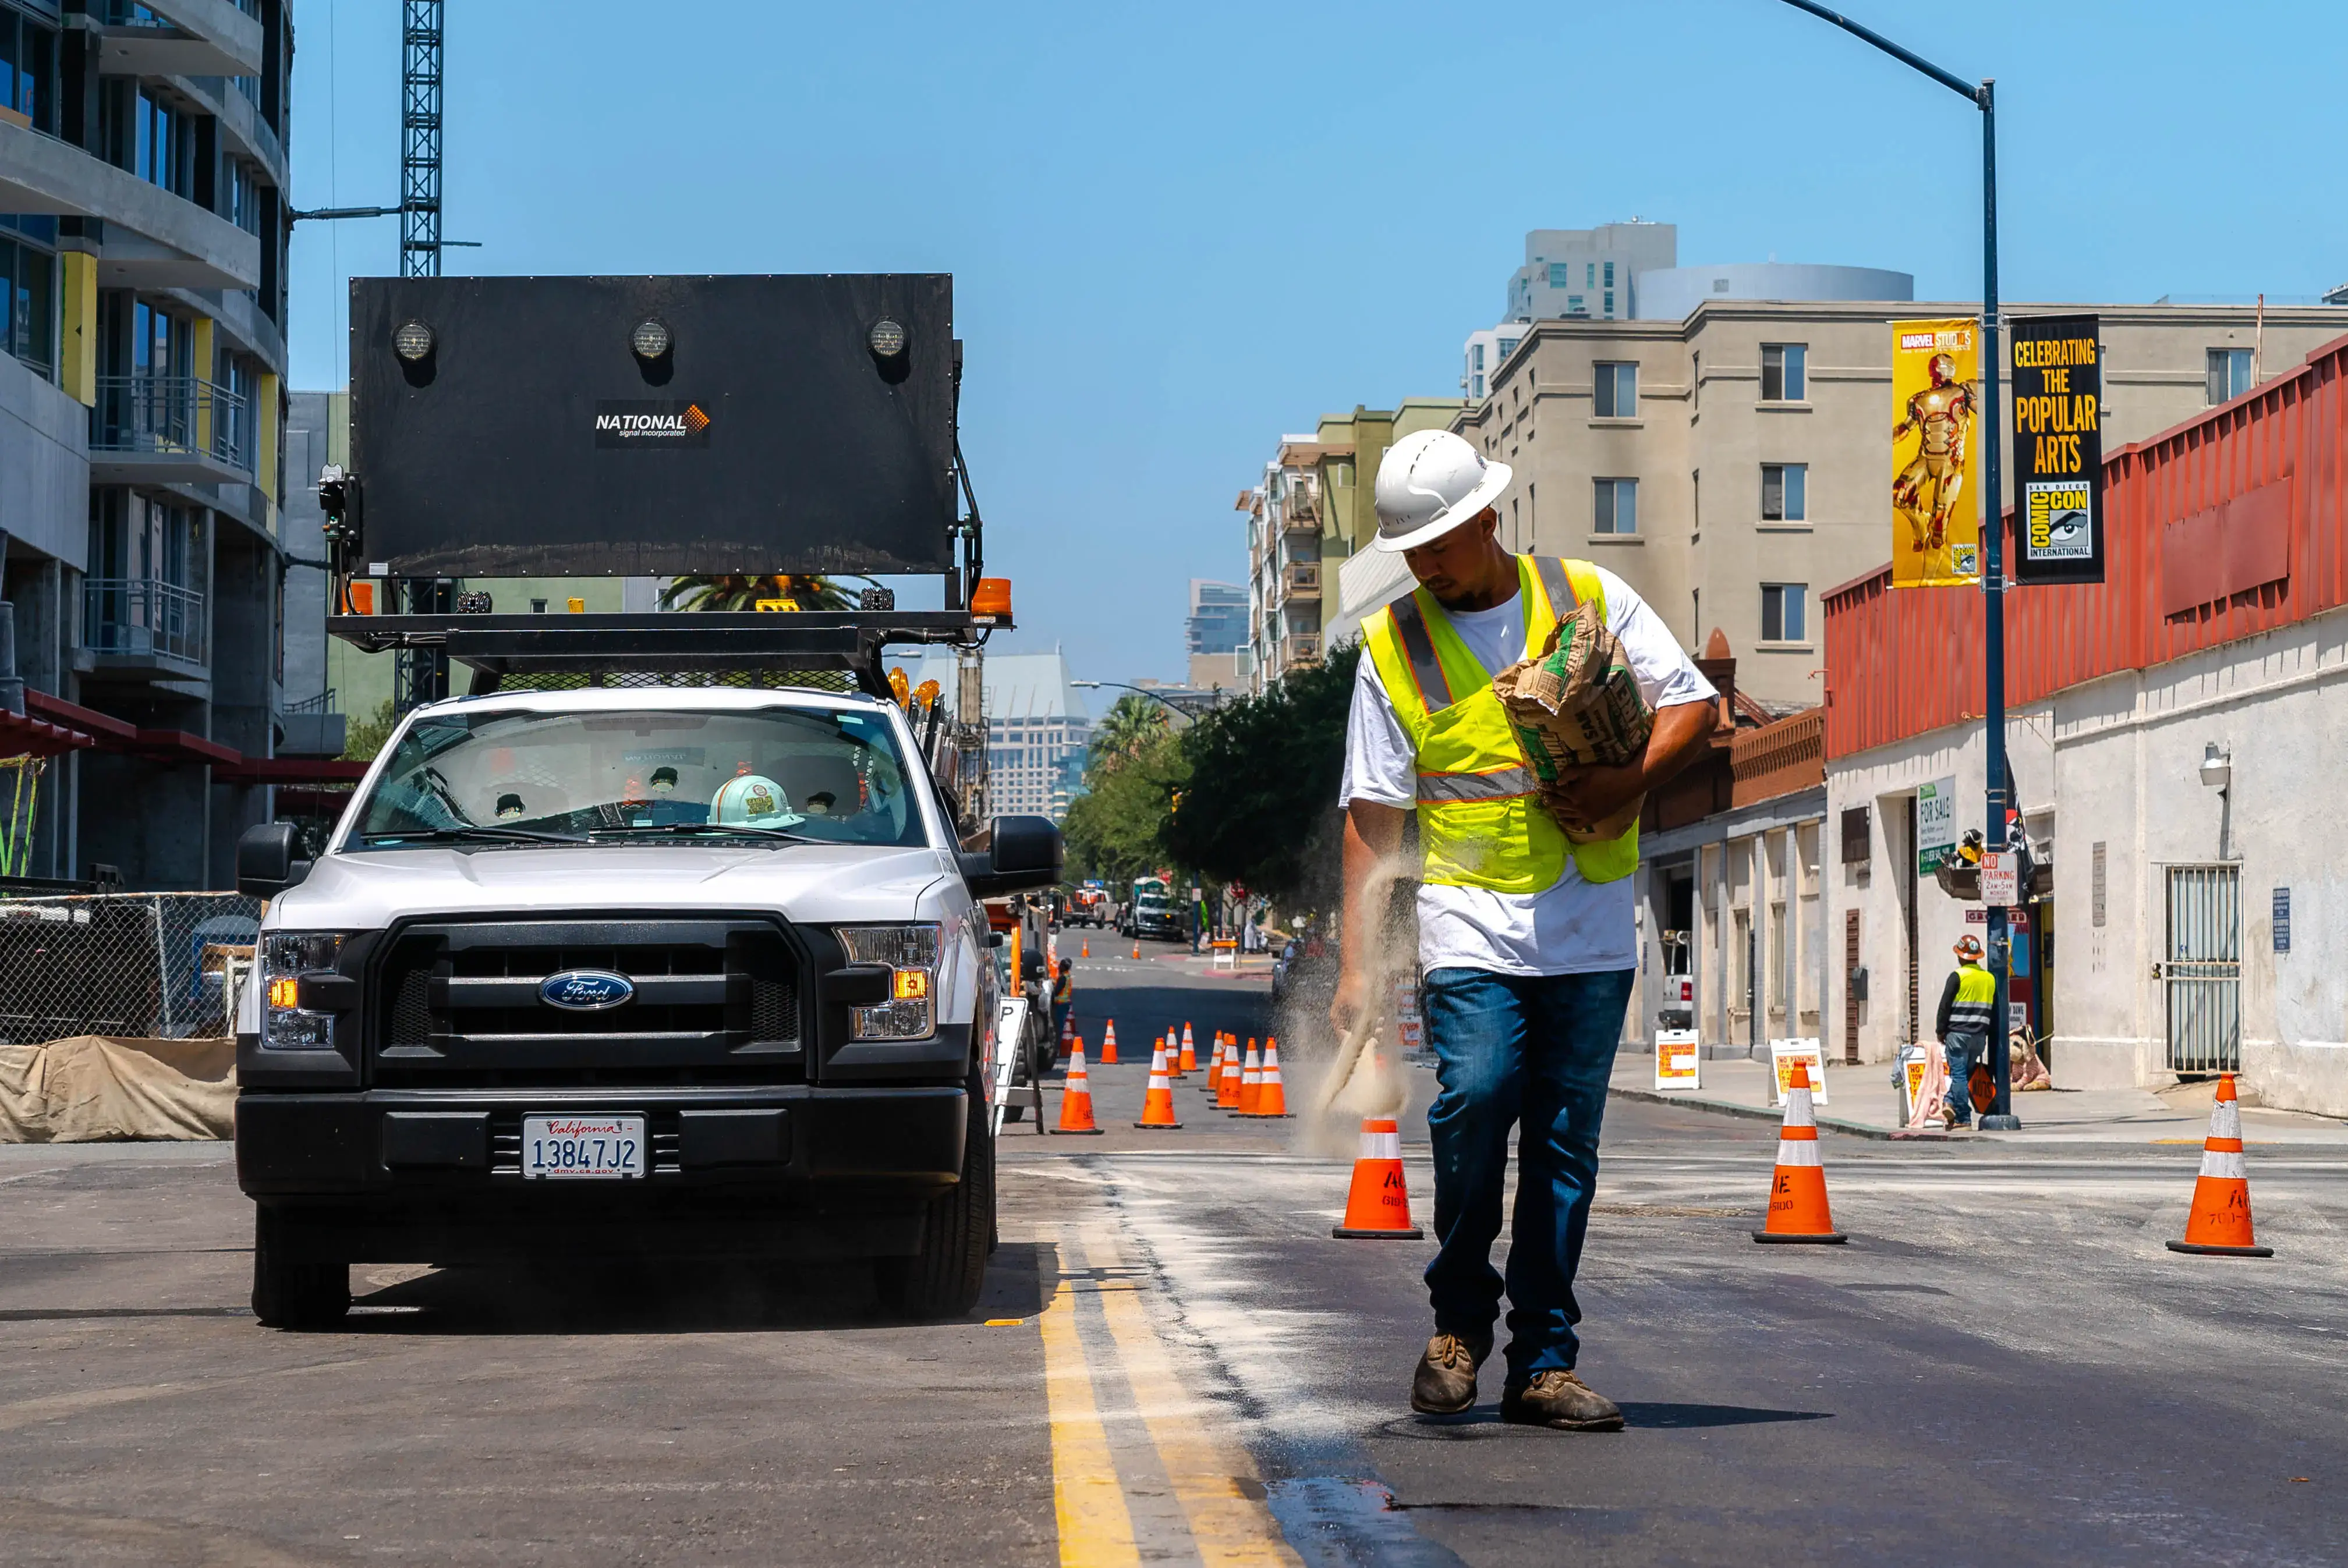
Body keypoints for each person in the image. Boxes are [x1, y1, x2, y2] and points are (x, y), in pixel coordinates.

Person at [1331, 428, 1716, 1432]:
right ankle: (1457, 1323)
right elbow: (1372, 820)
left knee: (1562, 1149)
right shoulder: (1391, 646)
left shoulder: (1587, 595)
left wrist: (1627, 779)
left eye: (1440, 544)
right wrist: (1354, 959)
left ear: (1486, 518)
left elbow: (1694, 706)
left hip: (1587, 925)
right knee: (1477, 1097)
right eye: (1409, 552)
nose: (1424, 566)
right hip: (1467, 924)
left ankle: (1541, 1362)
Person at [1935, 935, 1998, 1129]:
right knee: (1964, 1074)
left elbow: (1945, 1006)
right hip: (1979, 1037)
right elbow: (1994, 1010)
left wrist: (1940, 1030)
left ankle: (1963, 1117)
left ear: (1960, 956)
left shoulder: (1958, 976)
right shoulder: (1989, 978)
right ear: (1977, 957)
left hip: (1957, 1035)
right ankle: (1950, 1104)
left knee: (1959, 1076)